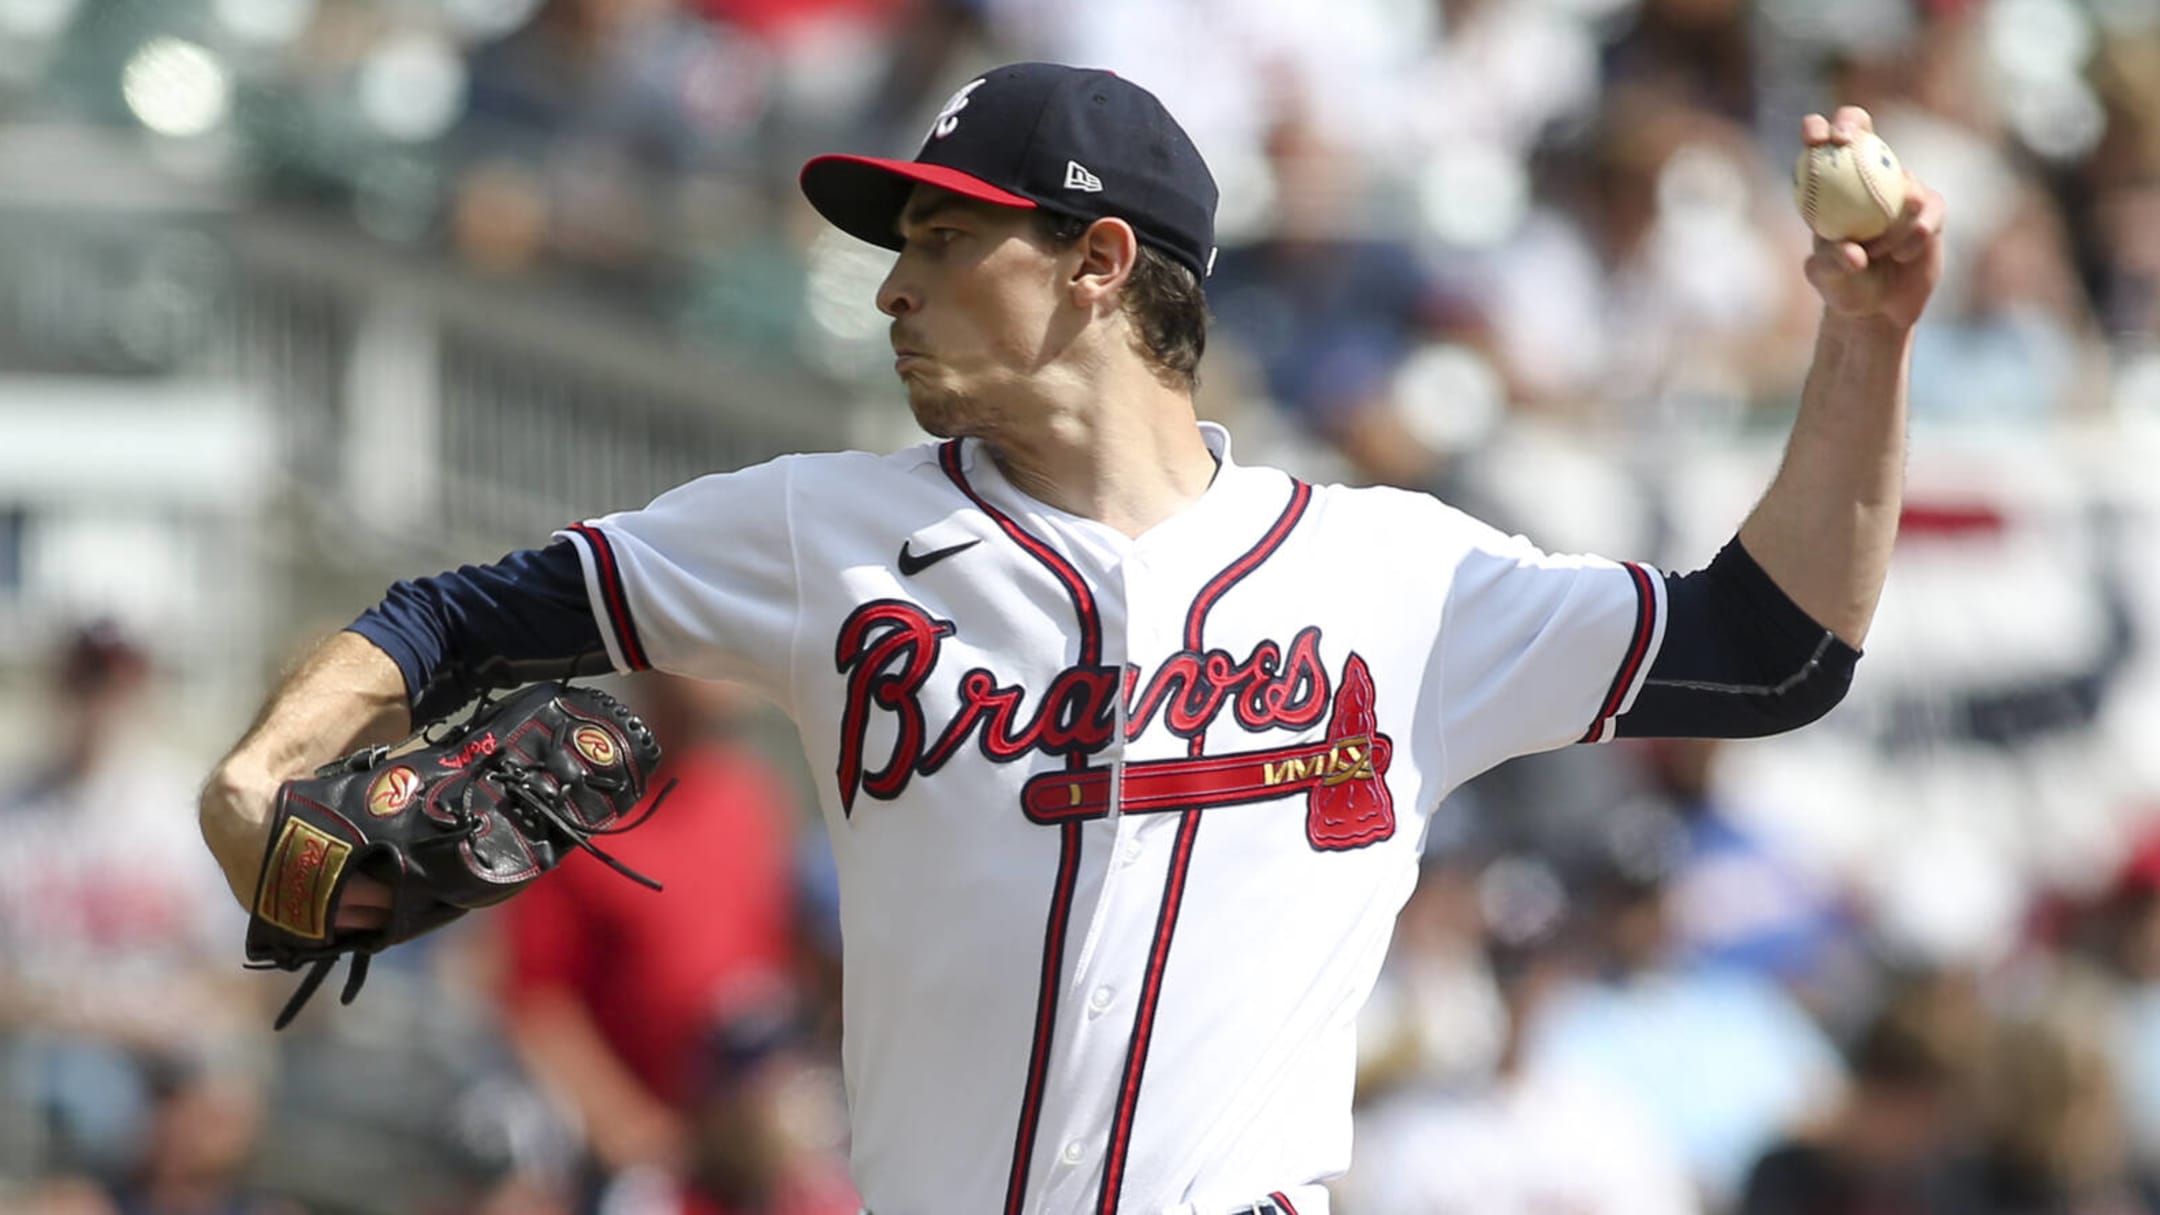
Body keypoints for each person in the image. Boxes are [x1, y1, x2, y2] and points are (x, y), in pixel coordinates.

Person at [198, 62, 1946, 1214]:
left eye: (947, 240)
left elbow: (1772, 649)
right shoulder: (825, 530)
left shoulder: (1394, 579)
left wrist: (1864, 349)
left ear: (1102, 260)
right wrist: (265, 768)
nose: (893, 284)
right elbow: (450, 617)